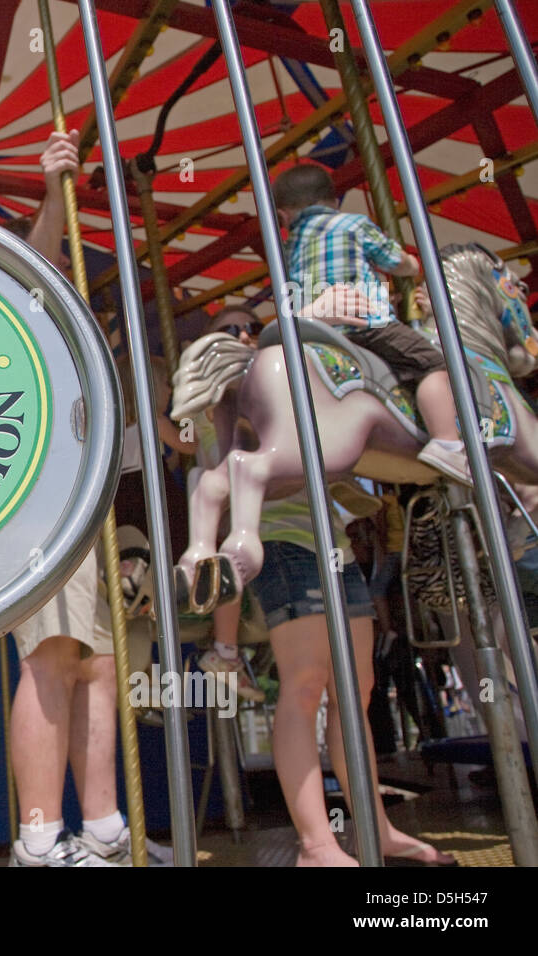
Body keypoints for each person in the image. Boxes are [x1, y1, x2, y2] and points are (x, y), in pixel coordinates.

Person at [6, 130, 141, 866]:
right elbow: (34, 269)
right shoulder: (8, 303)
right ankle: (38, 837)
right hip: (43, 489)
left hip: (82, 487)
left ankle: (103, 829)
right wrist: (55, 196)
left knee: (94, 662)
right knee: (53, 652)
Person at [249, 491, 454, 866]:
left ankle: (376, 827)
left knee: (356, 691)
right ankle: (315, 845)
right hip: (278, 540)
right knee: (304, 687)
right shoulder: (223, 428)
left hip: (334, 544)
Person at [272, 163, 470, 486]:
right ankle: (446, 440)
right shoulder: (353, 223)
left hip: (316, 335)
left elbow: (287, 297)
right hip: (365, 325)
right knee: (434, 362)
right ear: (333, 200)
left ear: (282, 217)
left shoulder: (286, 248)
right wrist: (411, 265)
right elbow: (396, 261)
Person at [188, 305, 267, 702]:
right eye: (230, 329)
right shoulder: (218, 388)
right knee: (229, 562)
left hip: (252, 494)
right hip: (227, 492)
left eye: (253, 327)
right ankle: (226, 652)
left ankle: (235, 652)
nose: (244, 335)